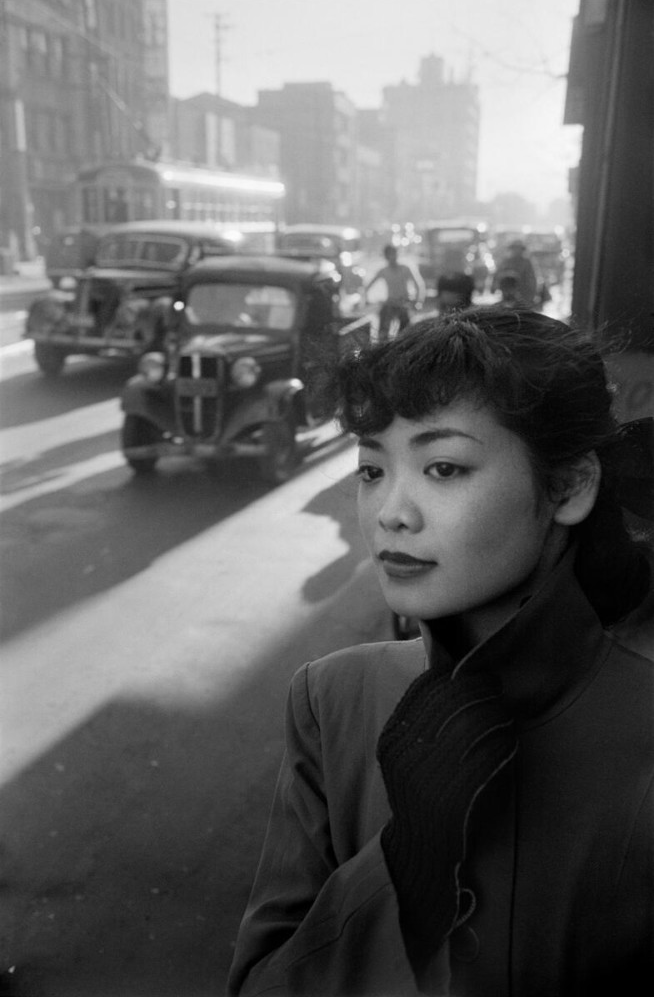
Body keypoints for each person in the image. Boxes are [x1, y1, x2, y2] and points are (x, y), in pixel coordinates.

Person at [227, 307, 654, 997]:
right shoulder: (332, 700)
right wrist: (405, 861)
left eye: (444, 467)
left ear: (571, 486)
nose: (391, 512)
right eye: (372, 470)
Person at [364, 244, 425, 341]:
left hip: (404, 303)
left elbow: (419, 285)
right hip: (390, 303)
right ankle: (383, 347)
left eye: (393, 254)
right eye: (389, 254)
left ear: (397, 254)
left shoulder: (405, 268)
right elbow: (367, 286)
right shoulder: (384, 271)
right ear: (386, 256)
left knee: (406, 334)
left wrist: (418, 301)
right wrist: (366, 299)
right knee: (383, 333)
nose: (392, 257)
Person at [492, 239, 538, 308]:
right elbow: (497, 276)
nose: (516, 251)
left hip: (523, 294)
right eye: (514, 248)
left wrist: (529, 296)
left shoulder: (526, 263)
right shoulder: (506, 261)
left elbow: (531, 280)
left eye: (518, 248)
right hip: (507, 294)